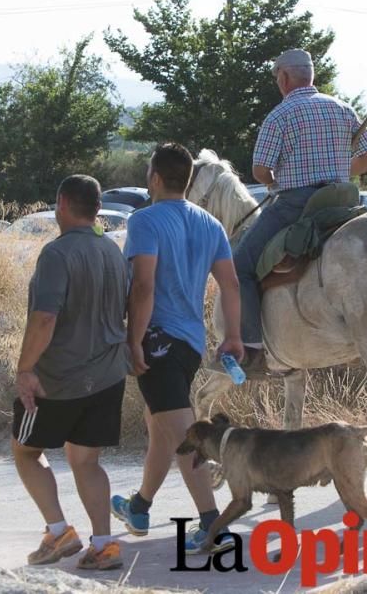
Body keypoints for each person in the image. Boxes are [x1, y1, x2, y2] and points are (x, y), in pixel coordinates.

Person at [111, 142, 245, 554]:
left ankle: (212, 524)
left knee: (186, 437)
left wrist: (133, 340)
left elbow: (144, 285)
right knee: (160, 431)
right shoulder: (210, 223)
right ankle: (139, 507)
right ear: (186, 179)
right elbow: (231, 285)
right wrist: (234, 336)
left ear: (154, 178)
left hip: (158, 342)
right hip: (189, 345)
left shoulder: (145, 221)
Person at [236, 48, 367, 374]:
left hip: (297, 205)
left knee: (240, 265)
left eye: (277, 78)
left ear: (285, 77)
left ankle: (254, 349)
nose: (278, 83)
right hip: (343, 202)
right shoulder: (342, 108)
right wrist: (344, 168)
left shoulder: (280, 115)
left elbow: (260, 171)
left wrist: (274, 179)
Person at [12, 175, 130, 570]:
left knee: (26, 450)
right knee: (86, 461)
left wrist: (25, 369)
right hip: (109, 375)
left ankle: (59, 530)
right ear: (96, 206)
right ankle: (104, 544)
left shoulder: (57, 254)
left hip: (59, 380)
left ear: (62, 202)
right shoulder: (112, 251)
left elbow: (45, 318)